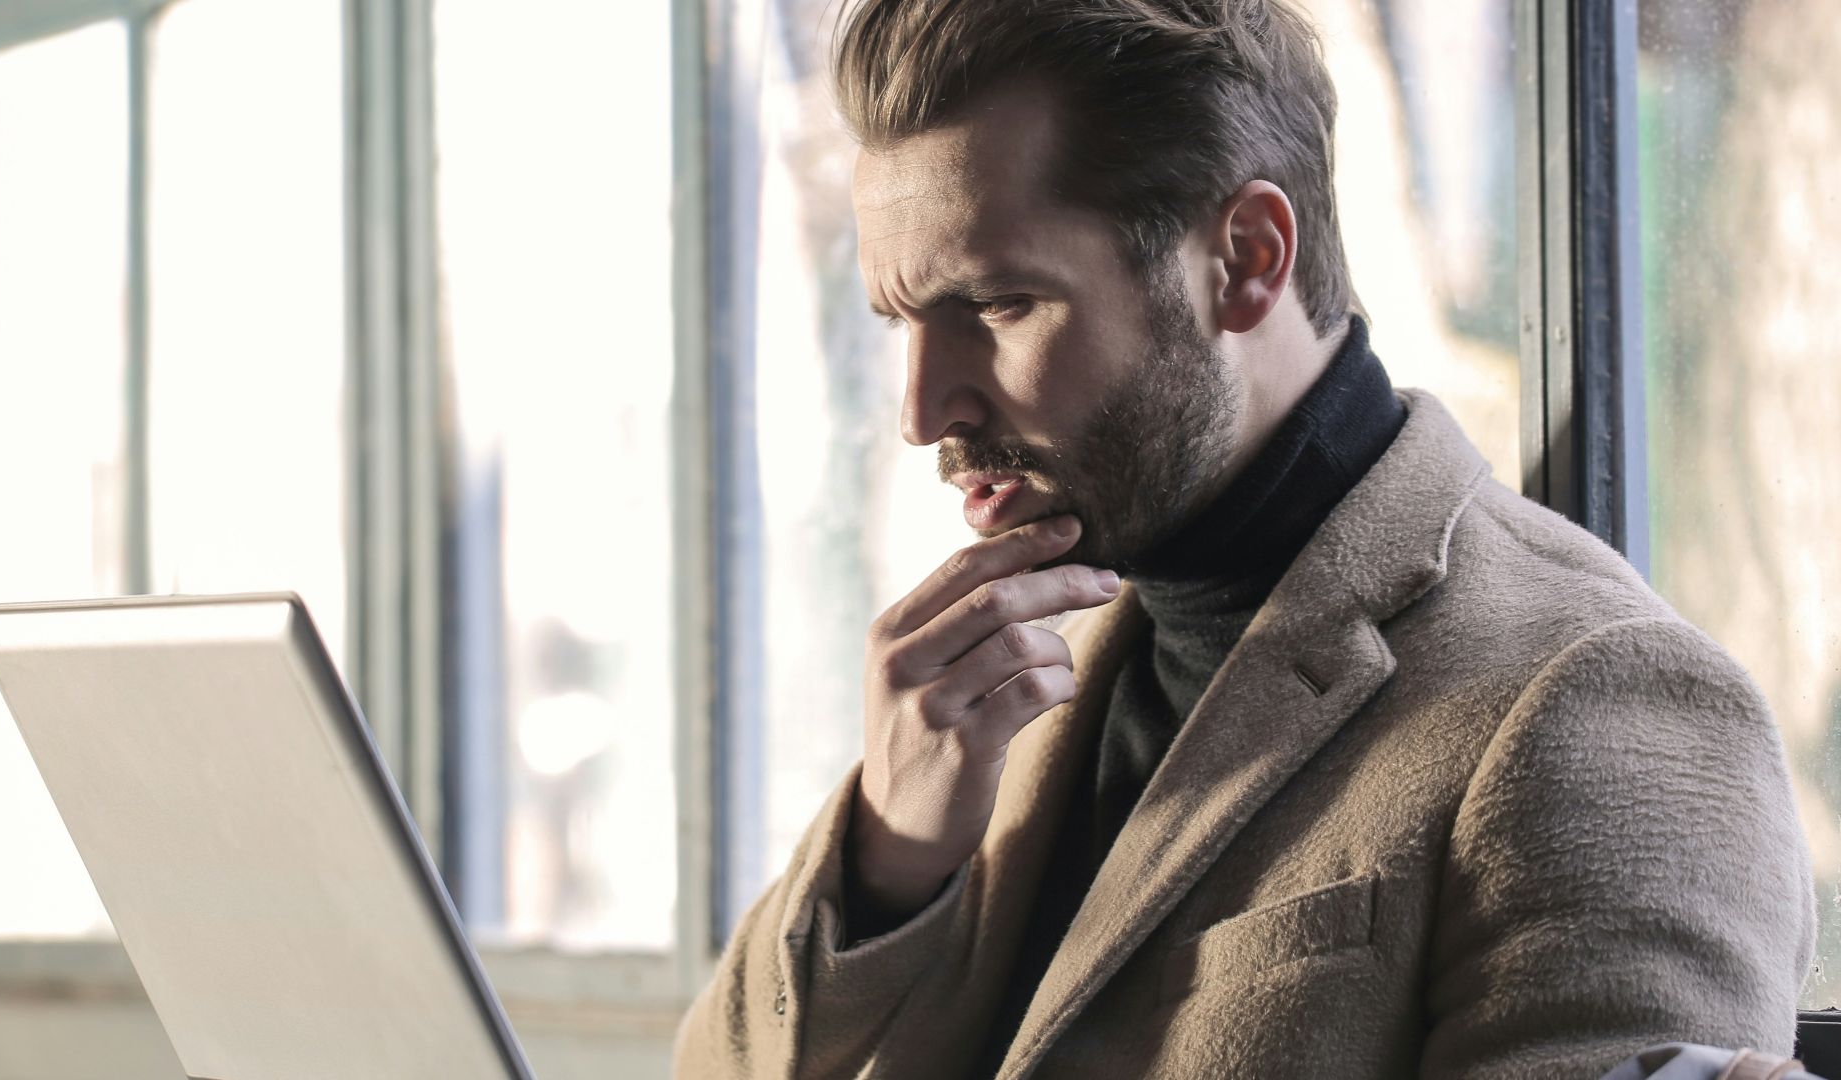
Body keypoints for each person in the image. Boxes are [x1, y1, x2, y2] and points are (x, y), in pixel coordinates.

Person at [674, 1, 1816, 1076]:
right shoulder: (1010, 674)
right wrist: (887, 859)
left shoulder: (1600, 703)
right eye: (903, 322)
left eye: (998, 305)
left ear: (1250, 258)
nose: (926, 410)